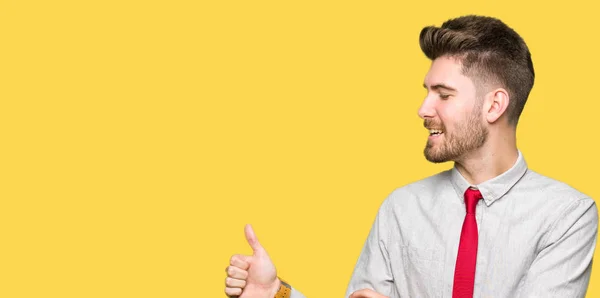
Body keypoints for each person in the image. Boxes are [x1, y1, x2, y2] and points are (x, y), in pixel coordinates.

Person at [224, 15, 599, 298]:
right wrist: (277, 293)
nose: (423, 108)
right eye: (426, 91)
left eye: (443, 94)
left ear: (495, 105)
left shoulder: (567, 216)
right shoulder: (401, 208)